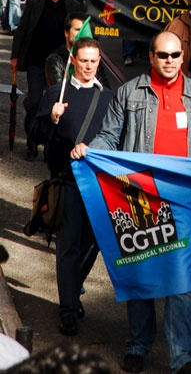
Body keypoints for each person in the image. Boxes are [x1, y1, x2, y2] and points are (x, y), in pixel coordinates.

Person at [71, 30, 191, 374]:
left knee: (182, 282)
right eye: (163, 55)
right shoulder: (129, 92)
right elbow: (109, 135)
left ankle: (184, 358)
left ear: (183, 57)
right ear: (151, 56)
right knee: (141, 273)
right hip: (140, 199)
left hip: (185, 201)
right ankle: (138, 343)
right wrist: (90, 148)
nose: (170, 61)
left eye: (175, 55)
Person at [30, 38, 113, 336]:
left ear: (99, 61)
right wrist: (51, 118)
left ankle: (71, 289)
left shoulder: (108, 99)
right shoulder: (56, 93)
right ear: (73, 61)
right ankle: (67, 310)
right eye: (84, 60)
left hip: (99, 185)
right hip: (67, 182)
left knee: (93, 244)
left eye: (94, 61)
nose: (89, 66)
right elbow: (35, 133)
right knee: (68, 245)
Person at [10, 0, 81, 158]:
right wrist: (14, 56)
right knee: (33, 102)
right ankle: (32, 141)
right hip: (36, 61)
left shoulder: (72, 5)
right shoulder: (35, 1)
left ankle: (51, 143)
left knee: (58, 103)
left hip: (60, 64)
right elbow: (22, 29)